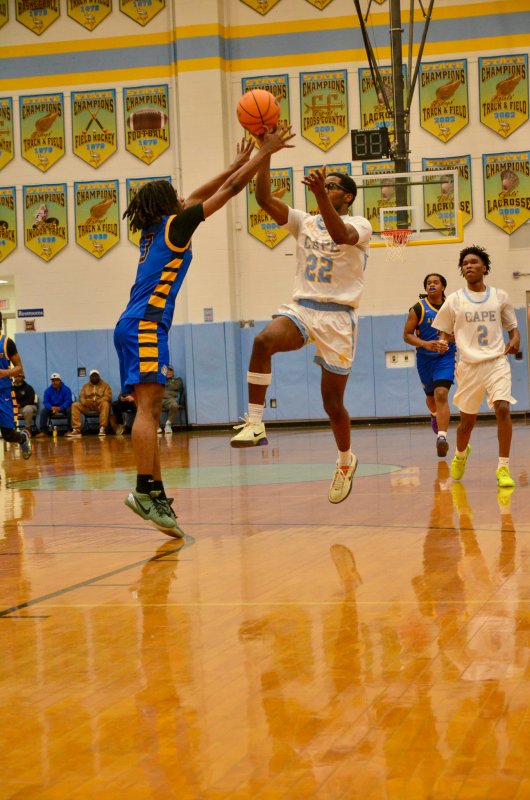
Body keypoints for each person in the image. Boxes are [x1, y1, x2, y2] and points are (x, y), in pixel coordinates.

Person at [115, 128, 294, 536]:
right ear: (167, 205)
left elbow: (204, 190)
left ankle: (155, 494)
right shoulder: (176, 225)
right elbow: (229, 190)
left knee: (152, 406)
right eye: (176, 195)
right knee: (147, 409)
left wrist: (236, 163)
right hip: (144, 323)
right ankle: (144, 491)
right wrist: (262, 154)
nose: (184, 197)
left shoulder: (158, 229)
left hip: (137, 323)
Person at [230, 163, 372, 505]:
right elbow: (263, 198)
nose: (327, 186)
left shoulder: (360, 225)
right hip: (303, 308)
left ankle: (344, 461)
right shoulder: (304, 221)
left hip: (339, 319)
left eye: (334, 186)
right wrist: (266, 152)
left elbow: (341, 236)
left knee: (332, 404)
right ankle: (255, 422)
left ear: (348, 197)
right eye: (326, 184)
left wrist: (320, 193)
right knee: (263, 340)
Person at [432, 245, 520, 488]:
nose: (468, 265)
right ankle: (461, 453)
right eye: (465, 263)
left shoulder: (500, 296)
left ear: (485, 267)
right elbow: (443, 333)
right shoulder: (454, 300)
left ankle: (503, 467)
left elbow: (513, 329)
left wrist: (514, 339)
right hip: (469, 366)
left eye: (473, 262)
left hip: (496, 362)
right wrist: (440, 343)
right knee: (466, 424)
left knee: (502, 408)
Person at [403, 273, 456, 458]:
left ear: (443, 286)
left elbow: (463, 331)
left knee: (441, 393)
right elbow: (407, 335)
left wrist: (449, 340)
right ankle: (434, 414)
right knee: (431, 397)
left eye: (435, 282)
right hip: (425, 358)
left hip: (446, 357)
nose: (432, 284)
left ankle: (442, 437)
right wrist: (426, 344)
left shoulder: (453, 307)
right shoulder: (418, 309)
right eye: (428, 283)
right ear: (425, 288)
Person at [0, 314, 32, 459]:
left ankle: (23, 437)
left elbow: (19, 368)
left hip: (4, 393)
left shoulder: (7, 342)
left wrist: (5, 372)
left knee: (8, 435)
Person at [66, 369, 112, 438]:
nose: (94, 377)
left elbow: (108, 397)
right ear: (90, 377)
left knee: (105, 403)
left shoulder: (105, 385)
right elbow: (81, 397)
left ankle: (102, 428)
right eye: (92, 376)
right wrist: (85, 402)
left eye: (96, 376)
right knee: (75, 405)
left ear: (99, 376)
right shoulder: (85, 386)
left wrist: (98, 401)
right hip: (87, 406)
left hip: (99, 406)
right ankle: (77, 430)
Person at [35, 373, 73, 437]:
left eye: (56, 380)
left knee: (70, 410)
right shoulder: (47, 391)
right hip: (53, 408)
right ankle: (44, 432)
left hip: (63, 407)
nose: (55, 382)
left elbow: (68, 401)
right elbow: (46, 402)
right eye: (53, 381)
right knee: (44, 411)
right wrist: (51, 408)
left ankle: (70, 430)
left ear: (60, 381)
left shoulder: (66, 389)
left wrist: (60, 408)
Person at [158, 366, 183, 433]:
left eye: (170, 373)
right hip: (159, 399)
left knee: (174, 405)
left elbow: (176, 386)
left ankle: (168, 424)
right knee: (150, 407)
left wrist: (164, 386)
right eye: (167, 372)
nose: (169, 374)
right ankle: (157, 426)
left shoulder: (177, 380)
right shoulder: (159, 381)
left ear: (173, 373)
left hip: (170, 400)